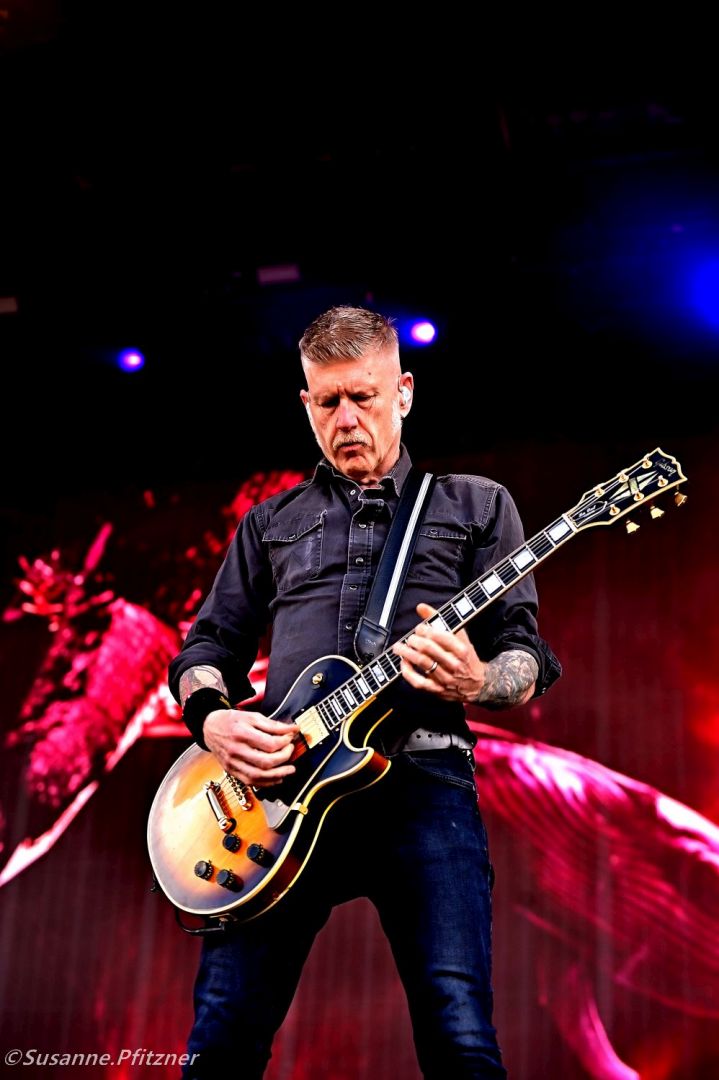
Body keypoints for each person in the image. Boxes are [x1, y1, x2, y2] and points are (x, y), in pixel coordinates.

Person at [168, 305, 561, 1079]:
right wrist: (212, 721)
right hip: (275, 802)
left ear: (403, 392)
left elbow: (524, 654)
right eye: (327, 401)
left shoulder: (475, 504)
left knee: (459, 1035)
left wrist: (478, 678)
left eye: (363, 397)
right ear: (305, 402)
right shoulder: (270, 522)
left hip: (424, 784)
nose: (345, 418)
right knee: (221, 1040)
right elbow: (206, 648)